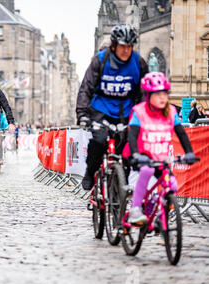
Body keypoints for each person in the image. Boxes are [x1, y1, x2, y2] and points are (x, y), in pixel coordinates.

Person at [76, 24, 149, 190]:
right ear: (114, 45)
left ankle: (120, 185)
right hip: (101, 110)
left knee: (128, 148)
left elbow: (146, 92)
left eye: (129, 46)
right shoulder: (100, 60)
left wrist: (146, 114)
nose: (126, 50)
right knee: (99, 141)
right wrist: (82, 114)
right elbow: (86, 88)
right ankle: (90, 171)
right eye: (123, 46)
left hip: (126, 111)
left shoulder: (138, 63)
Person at [123, 72, 197, 223]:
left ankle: (158, 211)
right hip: (141, 157)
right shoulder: (139, 111)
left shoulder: (171, 112)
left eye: (165, 93)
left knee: (172, 184)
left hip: (160, 158)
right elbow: (132, 135)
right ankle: (135, 208)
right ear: (148, 95)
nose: (163, 98)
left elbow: (181, 133)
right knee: (146, 170)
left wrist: (189, 152)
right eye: (158, 94)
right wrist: (136, 155)